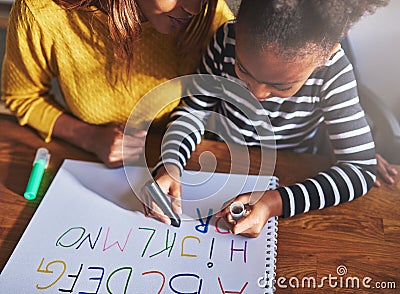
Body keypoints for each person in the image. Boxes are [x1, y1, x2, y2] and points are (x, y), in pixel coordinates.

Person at [146, 0, 390, 236]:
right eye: (243, 70)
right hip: (224, 161)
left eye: (281, 86)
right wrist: (171, 162)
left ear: (324, 56)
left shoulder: (333, 71)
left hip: (292, 171)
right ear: (238, 27)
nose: (256, 93)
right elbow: (194, 111)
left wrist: (274, 202)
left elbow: (359, 170)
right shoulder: (226, 40)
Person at [1, 0, 233, 168]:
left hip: (190, 162)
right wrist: (90, 138)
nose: (195, 9)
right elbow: (23, 97)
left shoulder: (210, 11)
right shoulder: (42, 13)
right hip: (92, 165)